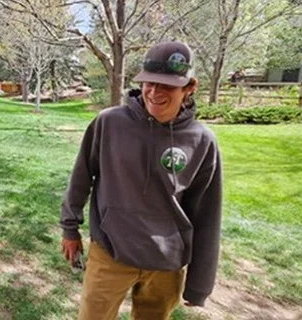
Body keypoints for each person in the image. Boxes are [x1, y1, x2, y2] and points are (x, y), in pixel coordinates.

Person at [60, 40, 222, 319]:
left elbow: (207, 215)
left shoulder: (202, 141)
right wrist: (69, 228)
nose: (155, 92)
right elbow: (81, 177)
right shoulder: (109, 123)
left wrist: (199, 285)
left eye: (167, 86)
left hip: (166, 264)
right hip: (110, 251)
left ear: (190, 88)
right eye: (149, 83)